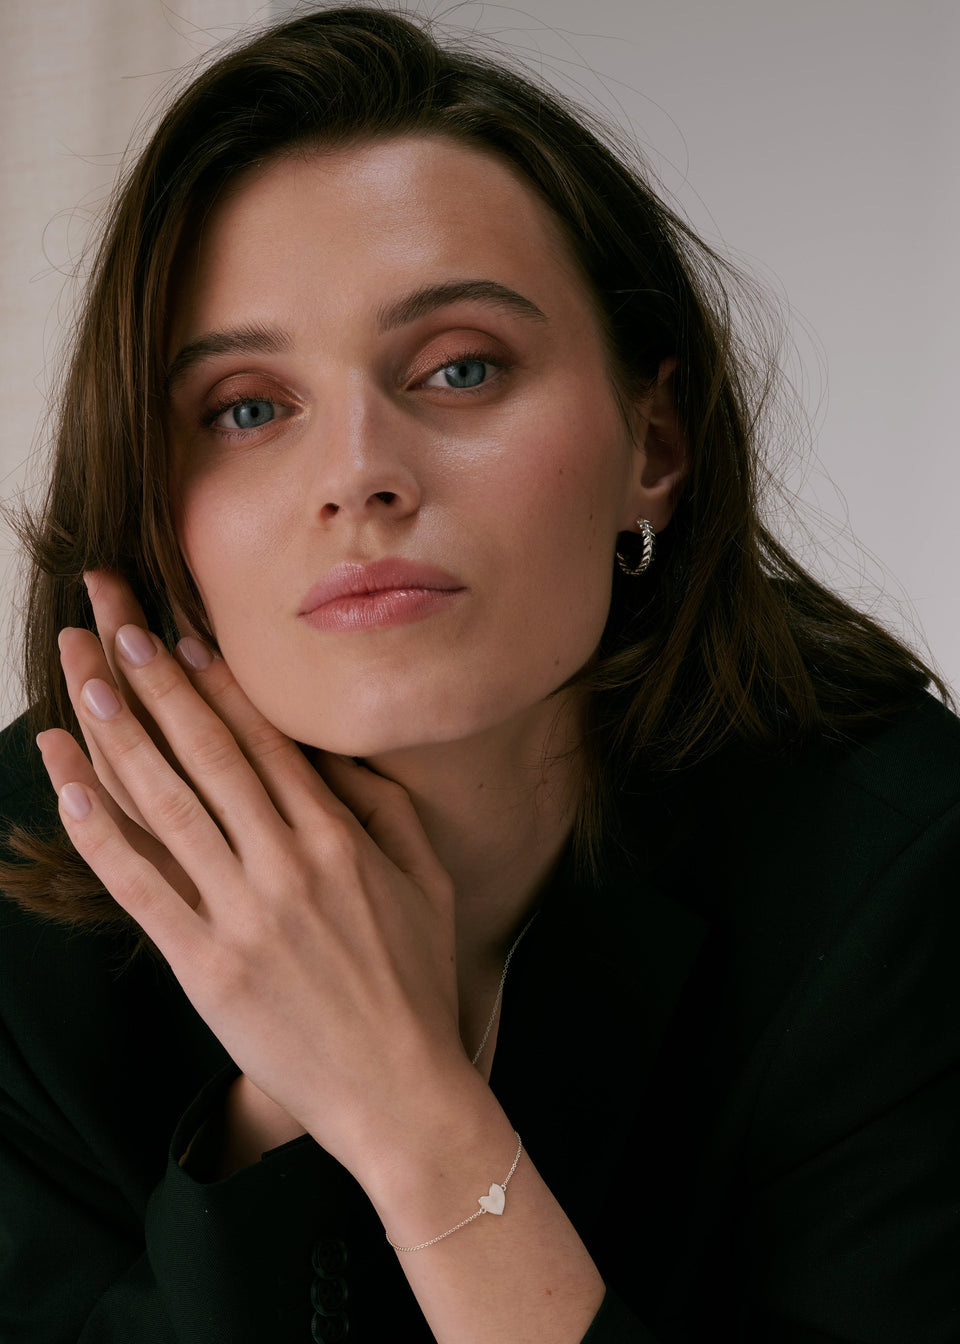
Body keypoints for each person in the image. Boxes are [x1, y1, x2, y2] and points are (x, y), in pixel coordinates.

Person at [1, 7, 958, 1342]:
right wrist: (278, 1100)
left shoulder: (895, 868)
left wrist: (412, 1115)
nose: (359, 473)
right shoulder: (22, 896)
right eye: (247, 408)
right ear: (160, 516)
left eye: (460, 368)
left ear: (654, 447)